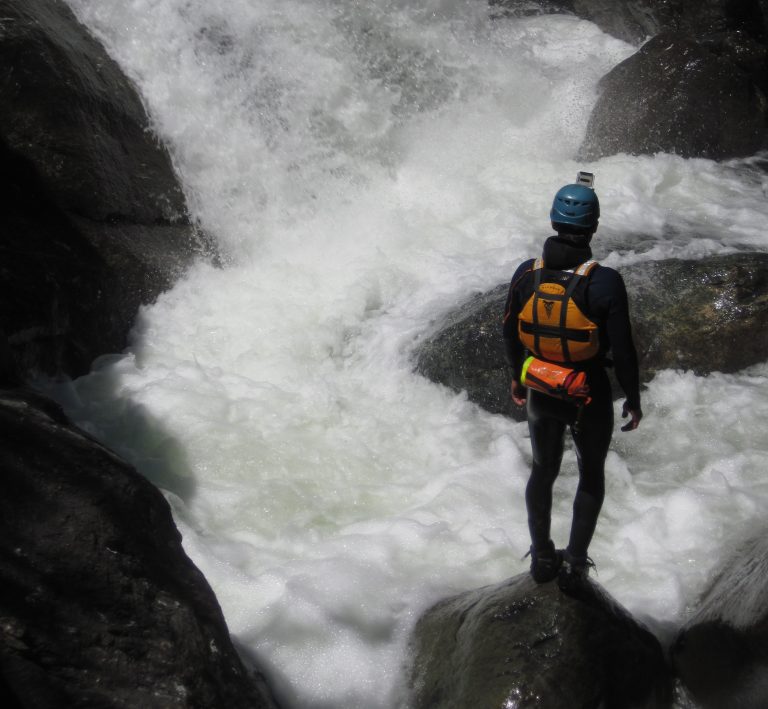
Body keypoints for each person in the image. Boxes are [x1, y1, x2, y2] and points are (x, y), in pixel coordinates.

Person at [502, 176, 642, 588]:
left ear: (553, 219)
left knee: (543, 470)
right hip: (588, 392)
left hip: (541, 387)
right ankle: (576, 564)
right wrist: (632, 398)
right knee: (591, 474)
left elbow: (510, 332)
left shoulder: (527, 273)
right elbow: (625, 351)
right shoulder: (604, 281)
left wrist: (517, 377)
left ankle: (542, 557)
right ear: (594, 226)